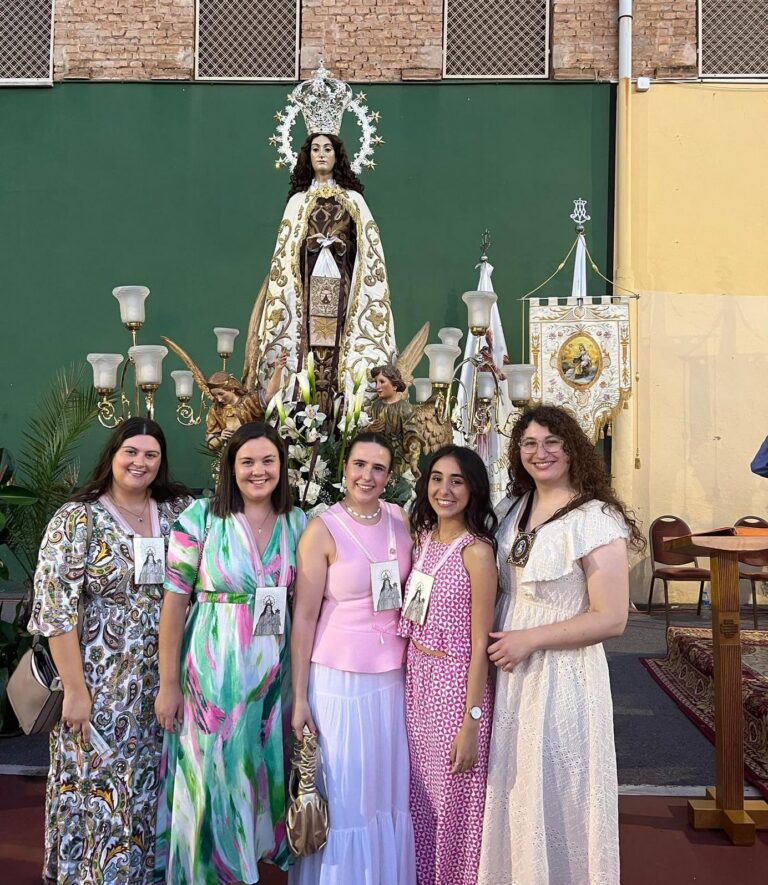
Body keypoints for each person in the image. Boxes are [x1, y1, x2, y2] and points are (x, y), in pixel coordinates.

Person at [477, 405, 644, 885]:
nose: (540, 452)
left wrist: (531, 639)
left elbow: (612, 618)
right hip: (510, 672)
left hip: (563, 675)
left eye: (552, 442)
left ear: (573, 448)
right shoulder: (512, 509)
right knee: (515, 785)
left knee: (558, 786)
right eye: (529, 444)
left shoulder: (595, 519)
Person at [27, 417, 192, 885]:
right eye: (131, 452)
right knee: (100, 792)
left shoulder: (180, 511)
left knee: (154, 788)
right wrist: (76, 692)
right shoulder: (78, 518)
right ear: (113, 455)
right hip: (101, 685)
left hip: (165, 680)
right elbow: (57, 610)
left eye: (151, 455)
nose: (140, 462)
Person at [154, 422, 306, 885]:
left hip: (272, 681)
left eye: (268, 461)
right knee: (210, 780)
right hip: (211, 676)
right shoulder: (200, 518)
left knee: (258, 779)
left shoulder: (300, 523)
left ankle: (246, 870)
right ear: (230, 468)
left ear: (282, 466)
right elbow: (174, 606)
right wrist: (168, 685)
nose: (258, 471)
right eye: (247, 462)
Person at [290, 431, 416, 884]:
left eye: (378, 468)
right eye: (359, 465)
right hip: (338, 681)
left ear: (389, 476)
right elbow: (303, 618)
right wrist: (299, 697)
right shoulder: (321, 529)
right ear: (344, 468)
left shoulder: (399, 519)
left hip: (392, 679)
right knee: (346, 794)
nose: (367, 475)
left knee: (385, 792)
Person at [398, 446, 498, 885]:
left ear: (473, 489)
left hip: (456, 688)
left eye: (457, 480)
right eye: (437, 478)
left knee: (453, 800)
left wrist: (472, 722)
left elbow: (481, 646)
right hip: (416, 681)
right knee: (419, 796)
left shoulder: (476, 553)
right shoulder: (421, 538)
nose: (445, 489)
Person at [247, 131, 397, 412]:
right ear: (308, 156)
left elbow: (368, 250)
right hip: (305, 291)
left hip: (342, 288)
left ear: (337, 155)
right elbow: (286, 251)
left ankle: (342, 411)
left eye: (327, 149)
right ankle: (301, 413)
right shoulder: (298, 202)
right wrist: (312, 247)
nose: (321, 154)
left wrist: (340, 246)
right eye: (315, 149)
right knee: (307, 349)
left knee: (339, 345)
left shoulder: (353, 200)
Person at [369, 363, 423, 478]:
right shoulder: (375, 406)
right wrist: (369, 429)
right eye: (376, 382)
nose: (377, 387)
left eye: (382, 382)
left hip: (398, 460)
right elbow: (365, 430)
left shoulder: (405, 408)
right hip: (377, 457)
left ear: (394, 385)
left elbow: (412, 437)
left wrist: (413, 462)